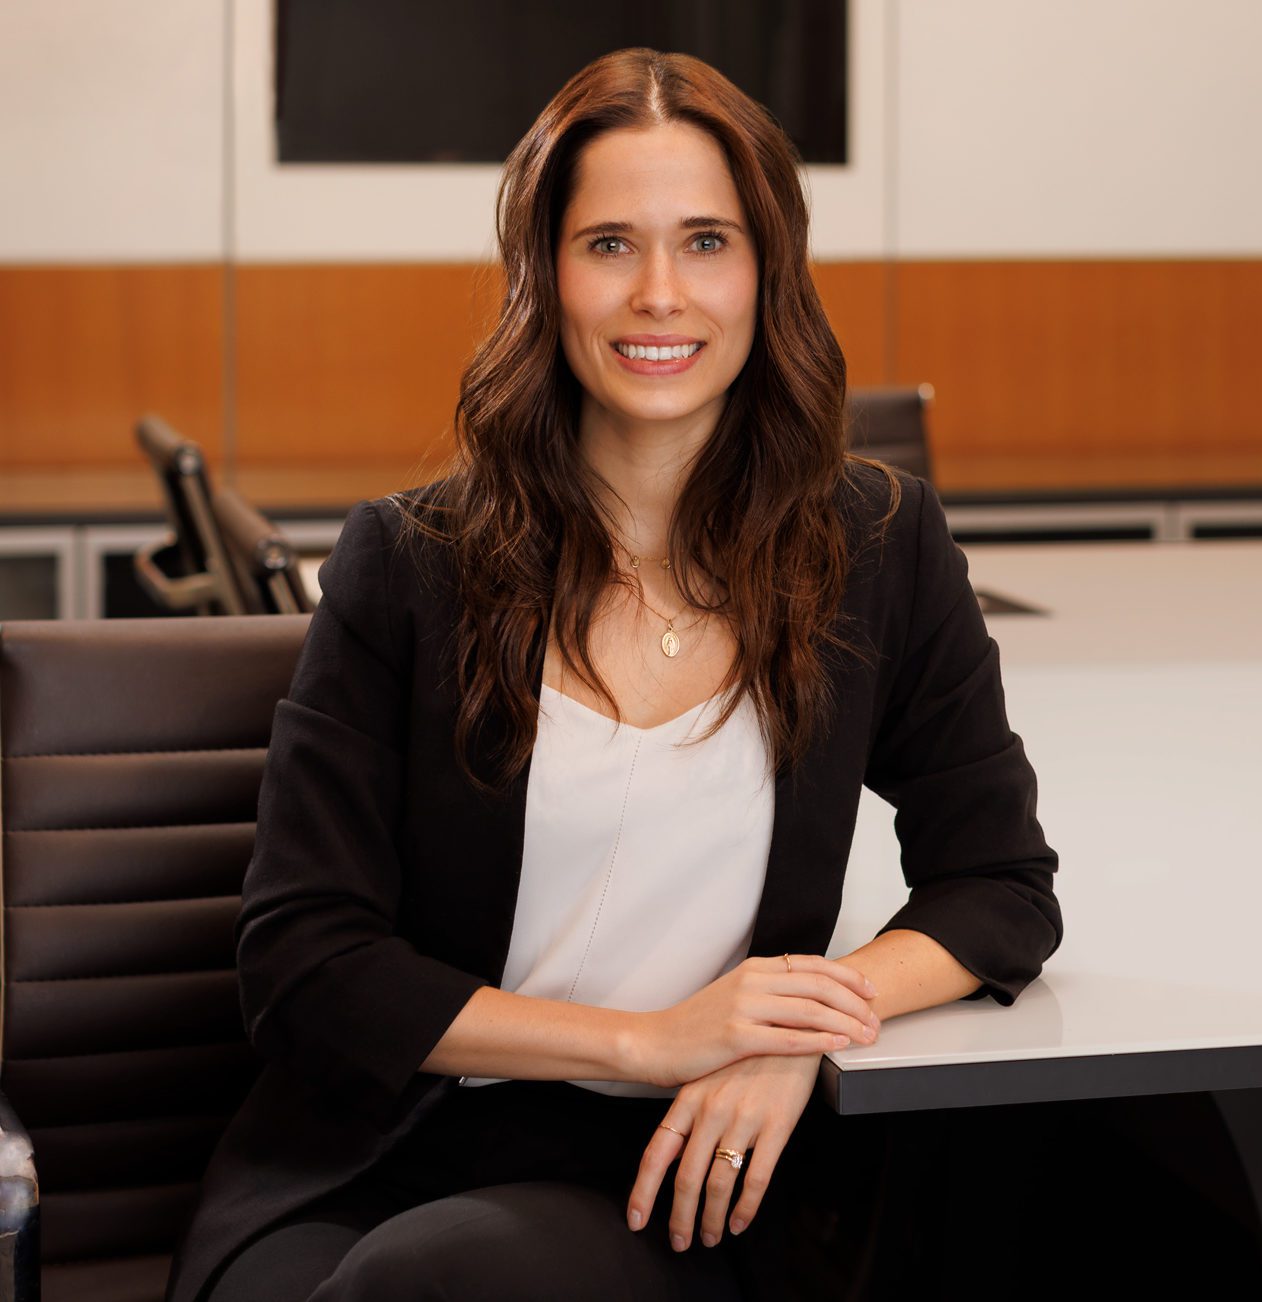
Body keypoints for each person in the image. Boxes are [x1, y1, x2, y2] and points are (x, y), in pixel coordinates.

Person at [166, 46, 1061, 1302]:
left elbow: (1000, 884)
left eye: (706, 242)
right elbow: (304, 961)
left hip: (667, 1176)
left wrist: (788, 1027)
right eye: (607, 246)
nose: (659, 293)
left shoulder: (875, 548)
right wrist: (650, 1041)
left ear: (768, 273)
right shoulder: (408, 564)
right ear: (543, 277)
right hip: (374, 1154)